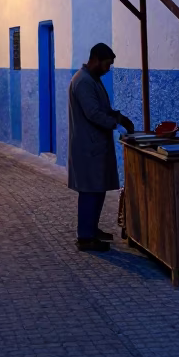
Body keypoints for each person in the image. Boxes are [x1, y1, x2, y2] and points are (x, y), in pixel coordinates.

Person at [68, 42, 134, 252]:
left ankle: (92, 229)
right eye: (106, 64)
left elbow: (103, 108)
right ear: (95, 60)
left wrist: (119, 116)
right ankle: (85, 237)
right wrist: (116, 125)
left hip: (95, 146)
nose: (108, 69)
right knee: (90, 190)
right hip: (88, 147)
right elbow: (94, 113)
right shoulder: (83, 81)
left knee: (97, 189)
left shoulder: (92, 79)